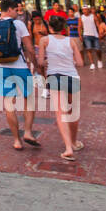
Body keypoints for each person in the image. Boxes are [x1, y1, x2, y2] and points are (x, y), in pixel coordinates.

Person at [0, 0, 40, 151]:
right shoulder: (18, 24)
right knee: (29, 99)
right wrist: (35, 65)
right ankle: (29, 132)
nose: (18, 13)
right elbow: (29, 48)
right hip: (19, 66)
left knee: (9, 103)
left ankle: (17, 140)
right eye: (16, 10)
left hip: (1, 66)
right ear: (10, 9)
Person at [37, 14, 83, 160]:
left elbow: (40, 61)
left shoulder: (44, 40)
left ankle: (68, 148)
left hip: (54, 76)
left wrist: (47, 61)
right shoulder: (72, 41)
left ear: (49, 27)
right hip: (72, 76)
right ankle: (74, 142)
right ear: (63, 28)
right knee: (72, 111)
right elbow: (80, 62)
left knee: (60, 112)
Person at [77, 5, 102, 70]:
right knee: (89, 49)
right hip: (86, 35)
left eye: (86, 9)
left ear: (89, 10)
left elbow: (98, 25)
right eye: (84, 10)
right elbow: (79, 27)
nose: (85, 11)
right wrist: (80, 35)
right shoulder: (81, 18)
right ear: (82, 11)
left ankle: (99, 60)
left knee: (98, 49)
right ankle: (92, 63)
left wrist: (100, 33)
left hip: (95, 34)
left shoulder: (93, 16)